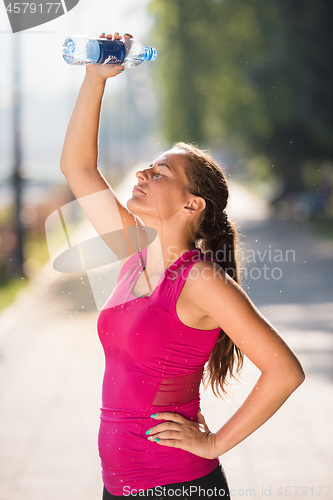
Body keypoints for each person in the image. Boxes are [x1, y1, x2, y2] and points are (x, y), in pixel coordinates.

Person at [60, 32, 305, 499]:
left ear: (192, 204)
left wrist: (214, 442)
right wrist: (95, 79)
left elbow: (285, 371)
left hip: (177, 486)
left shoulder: (200, 279)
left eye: (160, 173)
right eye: (147, 168)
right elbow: (77, 168)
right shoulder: (135, 253)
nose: (142, 175)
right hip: (122, 486)